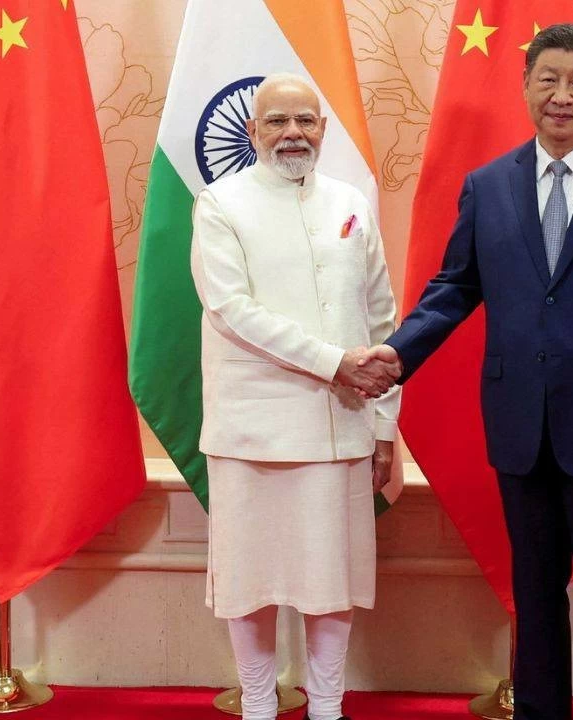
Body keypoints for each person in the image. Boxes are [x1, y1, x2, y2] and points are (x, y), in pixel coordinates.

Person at [362, 23, 573, 720]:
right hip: (522, 427)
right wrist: (400, 353)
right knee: (535, 597)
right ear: (525, 87)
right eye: (548, 80)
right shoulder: (488, 187)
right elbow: (454, 287)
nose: (562, 96)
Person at [190, 73, 401, 720]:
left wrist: (386, 424)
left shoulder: (350, 202)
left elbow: (382, 319)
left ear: (323, 131)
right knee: (250, 585)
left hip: (340, 429)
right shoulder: (219, 204)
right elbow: (230, 309)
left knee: (328, 583)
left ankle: (327, 707)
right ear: (253, 132)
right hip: (250, 431)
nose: (292, 134)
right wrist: (335, 363)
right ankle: (258, 704)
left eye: (305, 121)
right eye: (277, 121)